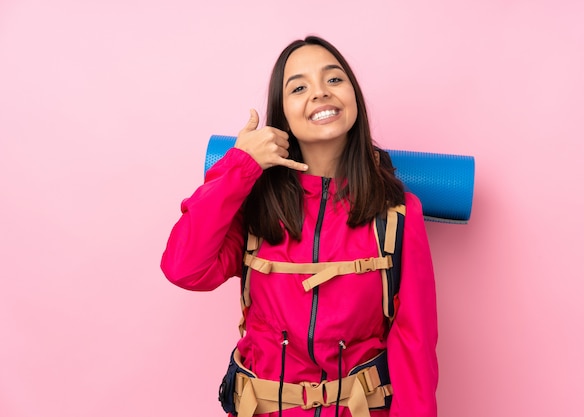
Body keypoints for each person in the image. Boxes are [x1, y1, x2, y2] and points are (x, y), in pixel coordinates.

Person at [161, 36, 438, 417]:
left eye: (334, 80)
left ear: (354, 95)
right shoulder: (253, 203)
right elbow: (184, 268)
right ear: (282, 113)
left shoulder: (398, 213)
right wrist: (240, 165)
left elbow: (415, 346)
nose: (320, 93)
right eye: (299, 87)